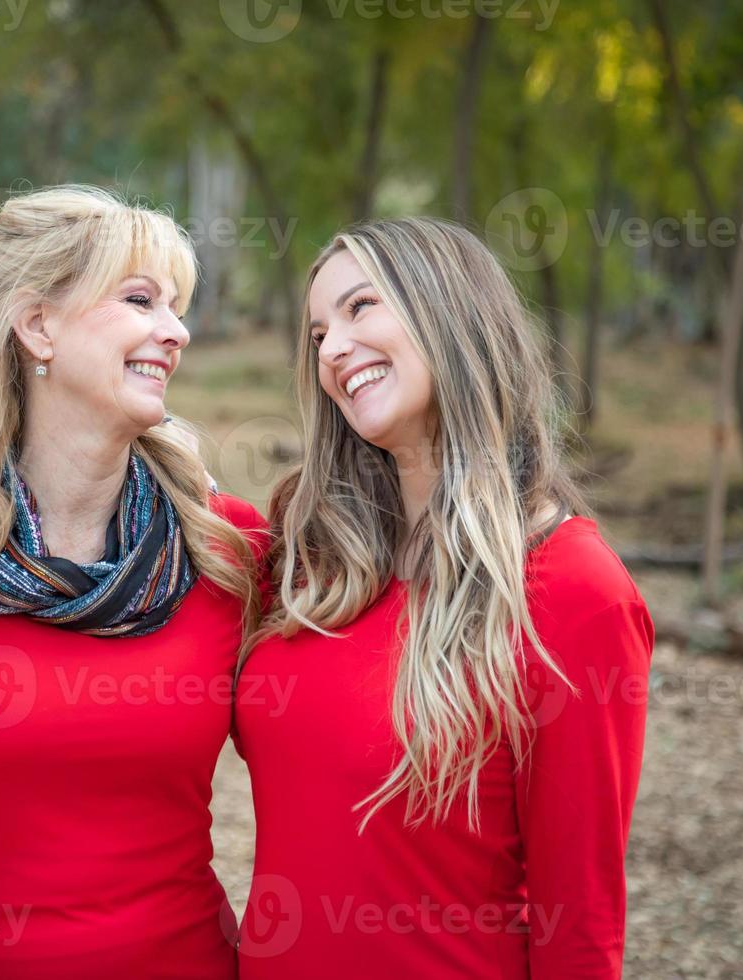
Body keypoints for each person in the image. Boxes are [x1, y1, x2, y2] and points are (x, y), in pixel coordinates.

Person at [0, 186, 266, 979]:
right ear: (37, 325)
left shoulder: (225, 548)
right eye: (141, 299)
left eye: (177, 307)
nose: (175, 332)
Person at [235, 217, 654, 978]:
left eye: (361, 308)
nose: (331, 349)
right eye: (318, 333)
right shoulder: (314, 561)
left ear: (447, 311)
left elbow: (580, 925)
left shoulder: (572, 591)